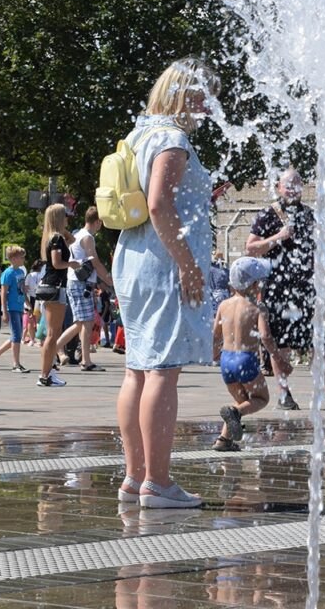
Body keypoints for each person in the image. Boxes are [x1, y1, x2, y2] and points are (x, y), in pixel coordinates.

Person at [114, 57, 218, 510]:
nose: (210, 106)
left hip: (133, 260)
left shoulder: (139, 134)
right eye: (205, 95)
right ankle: (158, 481)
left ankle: (135, 478)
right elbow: (159, 205)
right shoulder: (171, 139)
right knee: (162, 368)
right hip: (163, 264)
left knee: (137, 368)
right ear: (187, 95)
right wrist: (188, 264)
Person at [246, 167, 315, 409]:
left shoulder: (308, 214)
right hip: (277, 287)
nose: (293, 189)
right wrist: (278, 236)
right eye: (288, 185)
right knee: (281, 343)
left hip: (305, 287)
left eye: (297, 184)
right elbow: (250, 248)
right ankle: (284, 392)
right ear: (279, 188)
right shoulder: (269, 214)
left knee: (317, 340)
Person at [211, 257, 291, 452]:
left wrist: (214, 354)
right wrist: (279, 360)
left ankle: (223, 440)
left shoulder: (224, 305)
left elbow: (215, 335)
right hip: (246, 359)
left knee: (241, 401)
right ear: (254, 284)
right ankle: (235, 413)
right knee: (260, 399)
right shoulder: (257, 308)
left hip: (226, 360)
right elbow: (265, 336)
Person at [54, 206, 113, 373]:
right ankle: (84, 360)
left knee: (82, 323)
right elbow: (95, 263)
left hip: (76, 283)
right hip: (81, 284)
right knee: (85, 322)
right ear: (98, 222)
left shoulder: (77, 234)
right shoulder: (87, 238)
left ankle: (56, 349)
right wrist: (109, 280)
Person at [36, 204, 79, 387]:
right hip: (55, 286)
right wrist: (72, 264)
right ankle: (45, 375)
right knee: (53, 334)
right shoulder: (55, 239)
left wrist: (61, 228)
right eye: (65, 216)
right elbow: (56, 262)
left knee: (53, 333)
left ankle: (48, 372)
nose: (68, 218)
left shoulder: (55, 237)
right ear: (59, 218)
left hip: (52, 286)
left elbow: (73, 238)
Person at [0, 246, 30, 373]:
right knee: (16, 335)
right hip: (11, 308)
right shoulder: (8, 273)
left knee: (15, 335)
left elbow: (22, 289)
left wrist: (28, 303)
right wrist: (4, 311)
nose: (23, 259)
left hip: (19, 306)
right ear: (13, 259)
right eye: (22, 257)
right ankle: (16, 364)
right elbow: (3, 293)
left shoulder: (21, 272)